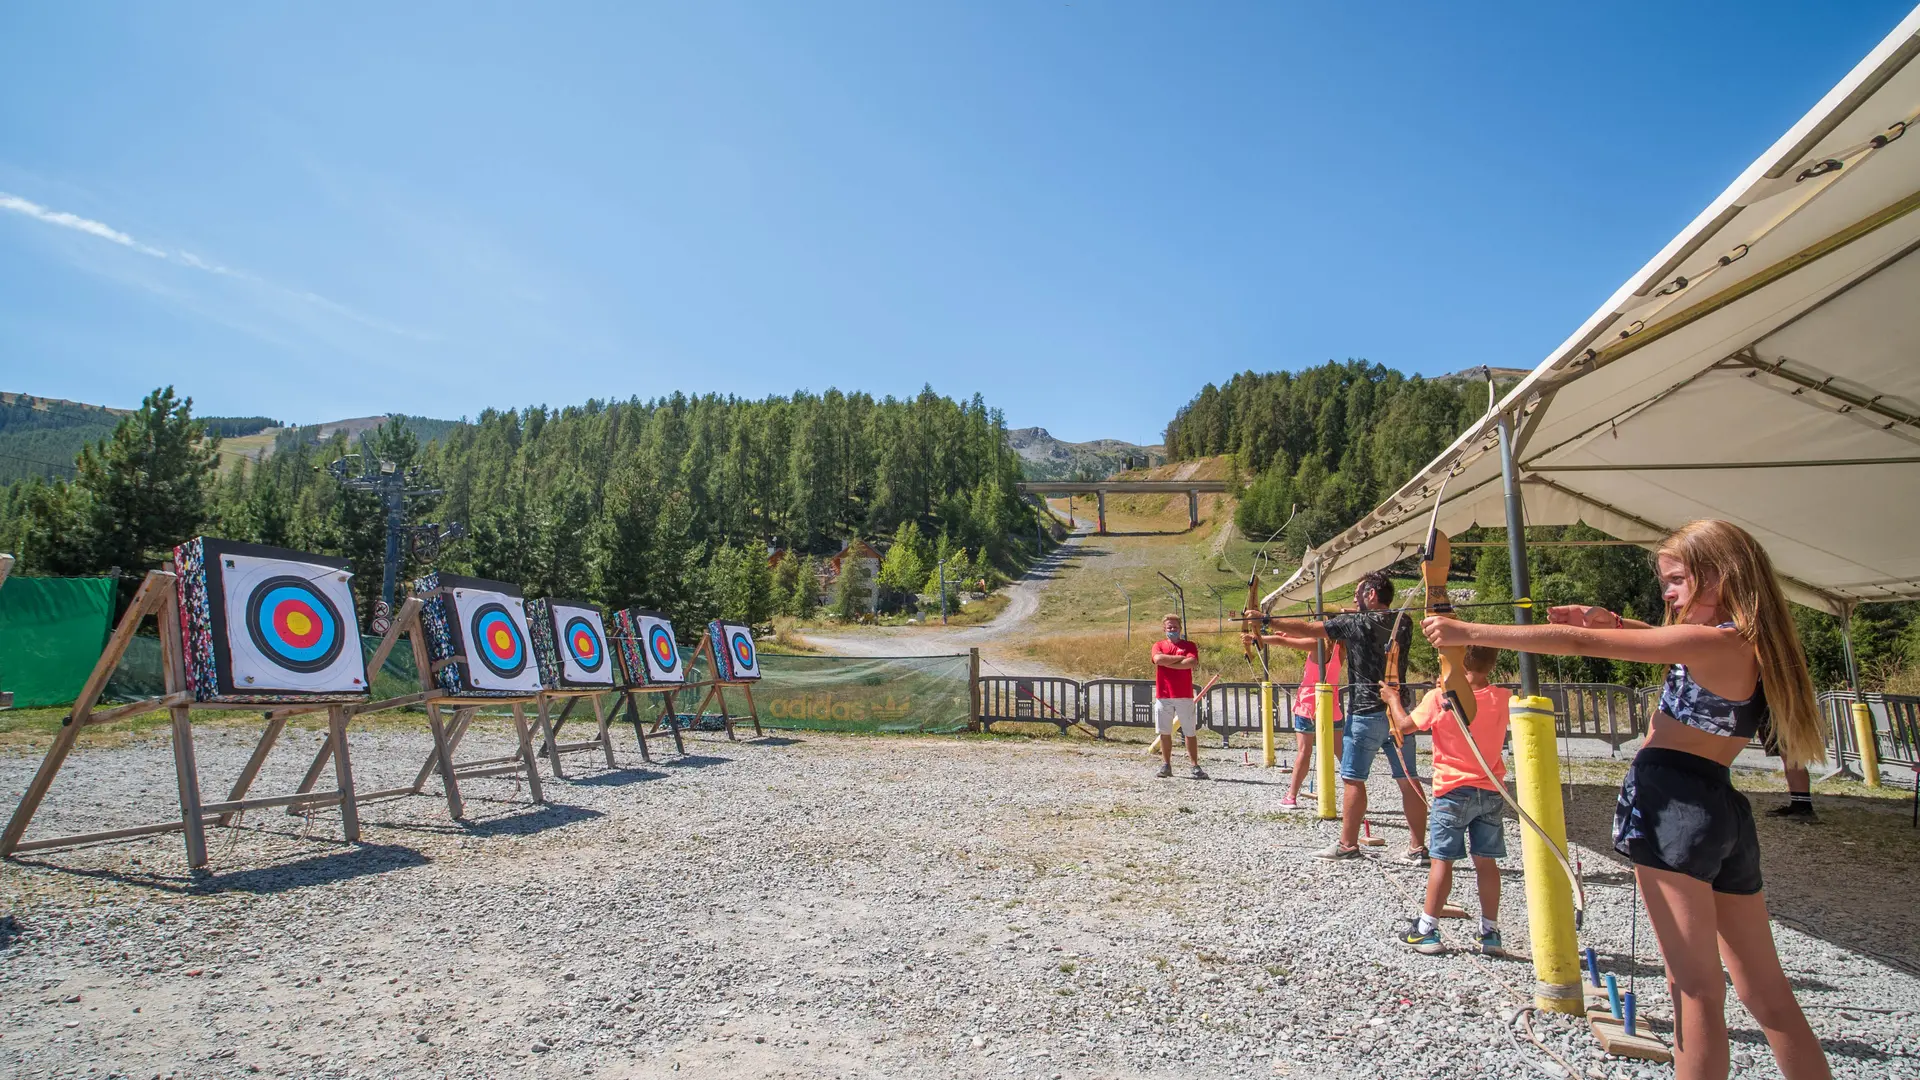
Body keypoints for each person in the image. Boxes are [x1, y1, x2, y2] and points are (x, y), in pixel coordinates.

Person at [1420, 519, 1831, 1080]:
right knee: (1766, 991)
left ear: (1723, 574)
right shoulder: (1742, 642)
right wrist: (1614, 622)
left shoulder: (1715, 643)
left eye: (1678, 580)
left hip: (1675, 807)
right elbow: (1656, 645)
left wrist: (1467, 632)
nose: (1668, 593)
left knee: (1695, 991)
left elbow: (1580, 643)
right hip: (1718, 808)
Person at [1245, 570, 1427, 863]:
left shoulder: (1353, 623)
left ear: (1371, 594)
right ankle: (1418, 849)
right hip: (1398, 712)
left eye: (1358, 594)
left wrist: (1266, 621)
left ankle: (1347, 844)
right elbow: (1369, 622)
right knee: (1408, 779)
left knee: (1354, 779)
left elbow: (1307, 629)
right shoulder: (1403, 621)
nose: (1354, 600)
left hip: (1366, 713)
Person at [1384, 645, 1512, 955]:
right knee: (1486, 862)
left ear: (1454, 660)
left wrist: (1391, 699)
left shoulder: (1440, 699)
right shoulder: (1503, 698)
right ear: (1492, 665)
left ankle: (1426, 929)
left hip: (1452, 792)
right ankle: (1489, 932)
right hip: (1490, 790)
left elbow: (1403, 726)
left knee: (1442, 861)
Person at [1151, 614, 1208, 780]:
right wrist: (1180, 659)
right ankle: (1166, 764)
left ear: (1180, 628)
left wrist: (1169, 662)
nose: (1172, 630)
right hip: (1164, 694)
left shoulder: (1189, 645)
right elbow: (1158, 659)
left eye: (1175, 627)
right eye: (1169, 627)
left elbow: (1191, 663)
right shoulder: (1159, 645)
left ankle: (1194, 765)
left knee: (1189, 731)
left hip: (1184, 694)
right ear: (1164, 629)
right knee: (1164, 731)